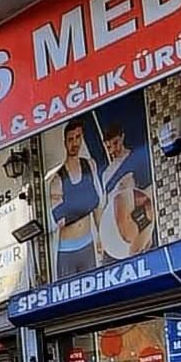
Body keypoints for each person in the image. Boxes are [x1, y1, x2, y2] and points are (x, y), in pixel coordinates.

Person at [47, 118, 104, 279]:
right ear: (65, 142)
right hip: (67, 252)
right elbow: (59, 219)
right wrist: (84, 204)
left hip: (89, 244)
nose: (75, 143)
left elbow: (97, 205)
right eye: (71, 139)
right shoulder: (57, 179)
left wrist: (101, 236)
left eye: (78, 137)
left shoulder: (90, 165)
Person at [97, 123, 157, 260]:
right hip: (114, 230)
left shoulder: (136, 159)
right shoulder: (106, 174)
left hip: (136, 224)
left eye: (115, 143)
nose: (113, 149)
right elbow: (106, 204)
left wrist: (148, 227)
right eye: (108, 147)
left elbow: (148, 193)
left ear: (122, 138)